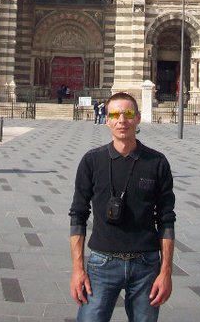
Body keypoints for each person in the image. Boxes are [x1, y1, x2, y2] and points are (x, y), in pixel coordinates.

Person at [69, 92, 175, 322]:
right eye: (115, 115)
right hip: (102, 262)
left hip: (146, 265)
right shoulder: (92, 161)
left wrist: (166, 272)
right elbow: (78, 215)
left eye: (127, 114)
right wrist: (78, 269)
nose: (121, 120)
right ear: (106, 119)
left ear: (137, 118)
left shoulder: (157, 163)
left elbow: (166, 219)